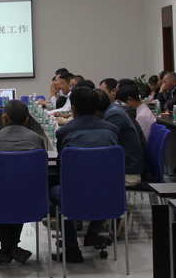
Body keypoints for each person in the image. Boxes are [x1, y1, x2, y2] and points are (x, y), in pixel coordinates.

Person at [53, 87, 118, 263]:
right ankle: (93, 233)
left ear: (73, 109)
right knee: (103, 186)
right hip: (110, 194)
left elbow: (61, 170)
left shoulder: (64, 132)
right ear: (97, 107)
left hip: (75, 195)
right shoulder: (112, 130)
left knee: (57, 192)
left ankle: (71, 248)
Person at [0, 100, 45, 264]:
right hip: (31, 197)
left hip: (0, 198)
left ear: (4, 118)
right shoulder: (37, 139)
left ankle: (7, 248)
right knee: (19, 192)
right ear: (27, 120)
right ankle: (12, 248)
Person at [97, 89, 143, 186]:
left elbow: (106, 146)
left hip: (128, 174)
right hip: (121, 168)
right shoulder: (111, 110)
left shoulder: (114, 115)